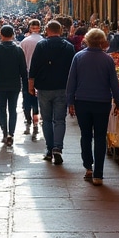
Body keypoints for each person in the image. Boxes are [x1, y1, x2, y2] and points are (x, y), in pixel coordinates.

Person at [66, 27, 119, 186]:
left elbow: (72, 81)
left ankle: (88, 167)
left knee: (85, 135)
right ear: (102, 42)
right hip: (102, 103)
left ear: (87, 40)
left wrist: (70, 102)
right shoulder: (108, 59)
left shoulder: (78, 57)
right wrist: (118, 101)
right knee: (99, 137)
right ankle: (99, 173)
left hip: (82, 102)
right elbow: (114, 83)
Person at [28, 19, 75, 166]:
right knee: (60, 120)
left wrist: (31, 84)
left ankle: (49, 149)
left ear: (47, 30)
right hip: (62, 87)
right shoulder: (68, 47)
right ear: (60, 31)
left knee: (46, 120)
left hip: (44, 88)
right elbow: (73, 69)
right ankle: (58, 148)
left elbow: (34, 65)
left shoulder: (41, 45)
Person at [0, 24, 27, 148]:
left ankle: (4, 133)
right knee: (12, 109)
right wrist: (25, 84)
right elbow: (23, 69)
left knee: (2, 109)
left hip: (0, 84)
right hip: (14, 85)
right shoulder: (18, 50)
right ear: (13, 34)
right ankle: (11, 134)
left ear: (1, 34)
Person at [19, 18, 43, 137]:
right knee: (37, 98)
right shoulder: (43, 41)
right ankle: (36, 118)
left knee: (26, 97)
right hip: (40, 74)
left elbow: (21, 59)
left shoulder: (24, 42)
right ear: (39, 28)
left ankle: (28, 119)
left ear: (29, 28)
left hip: (26, 73)